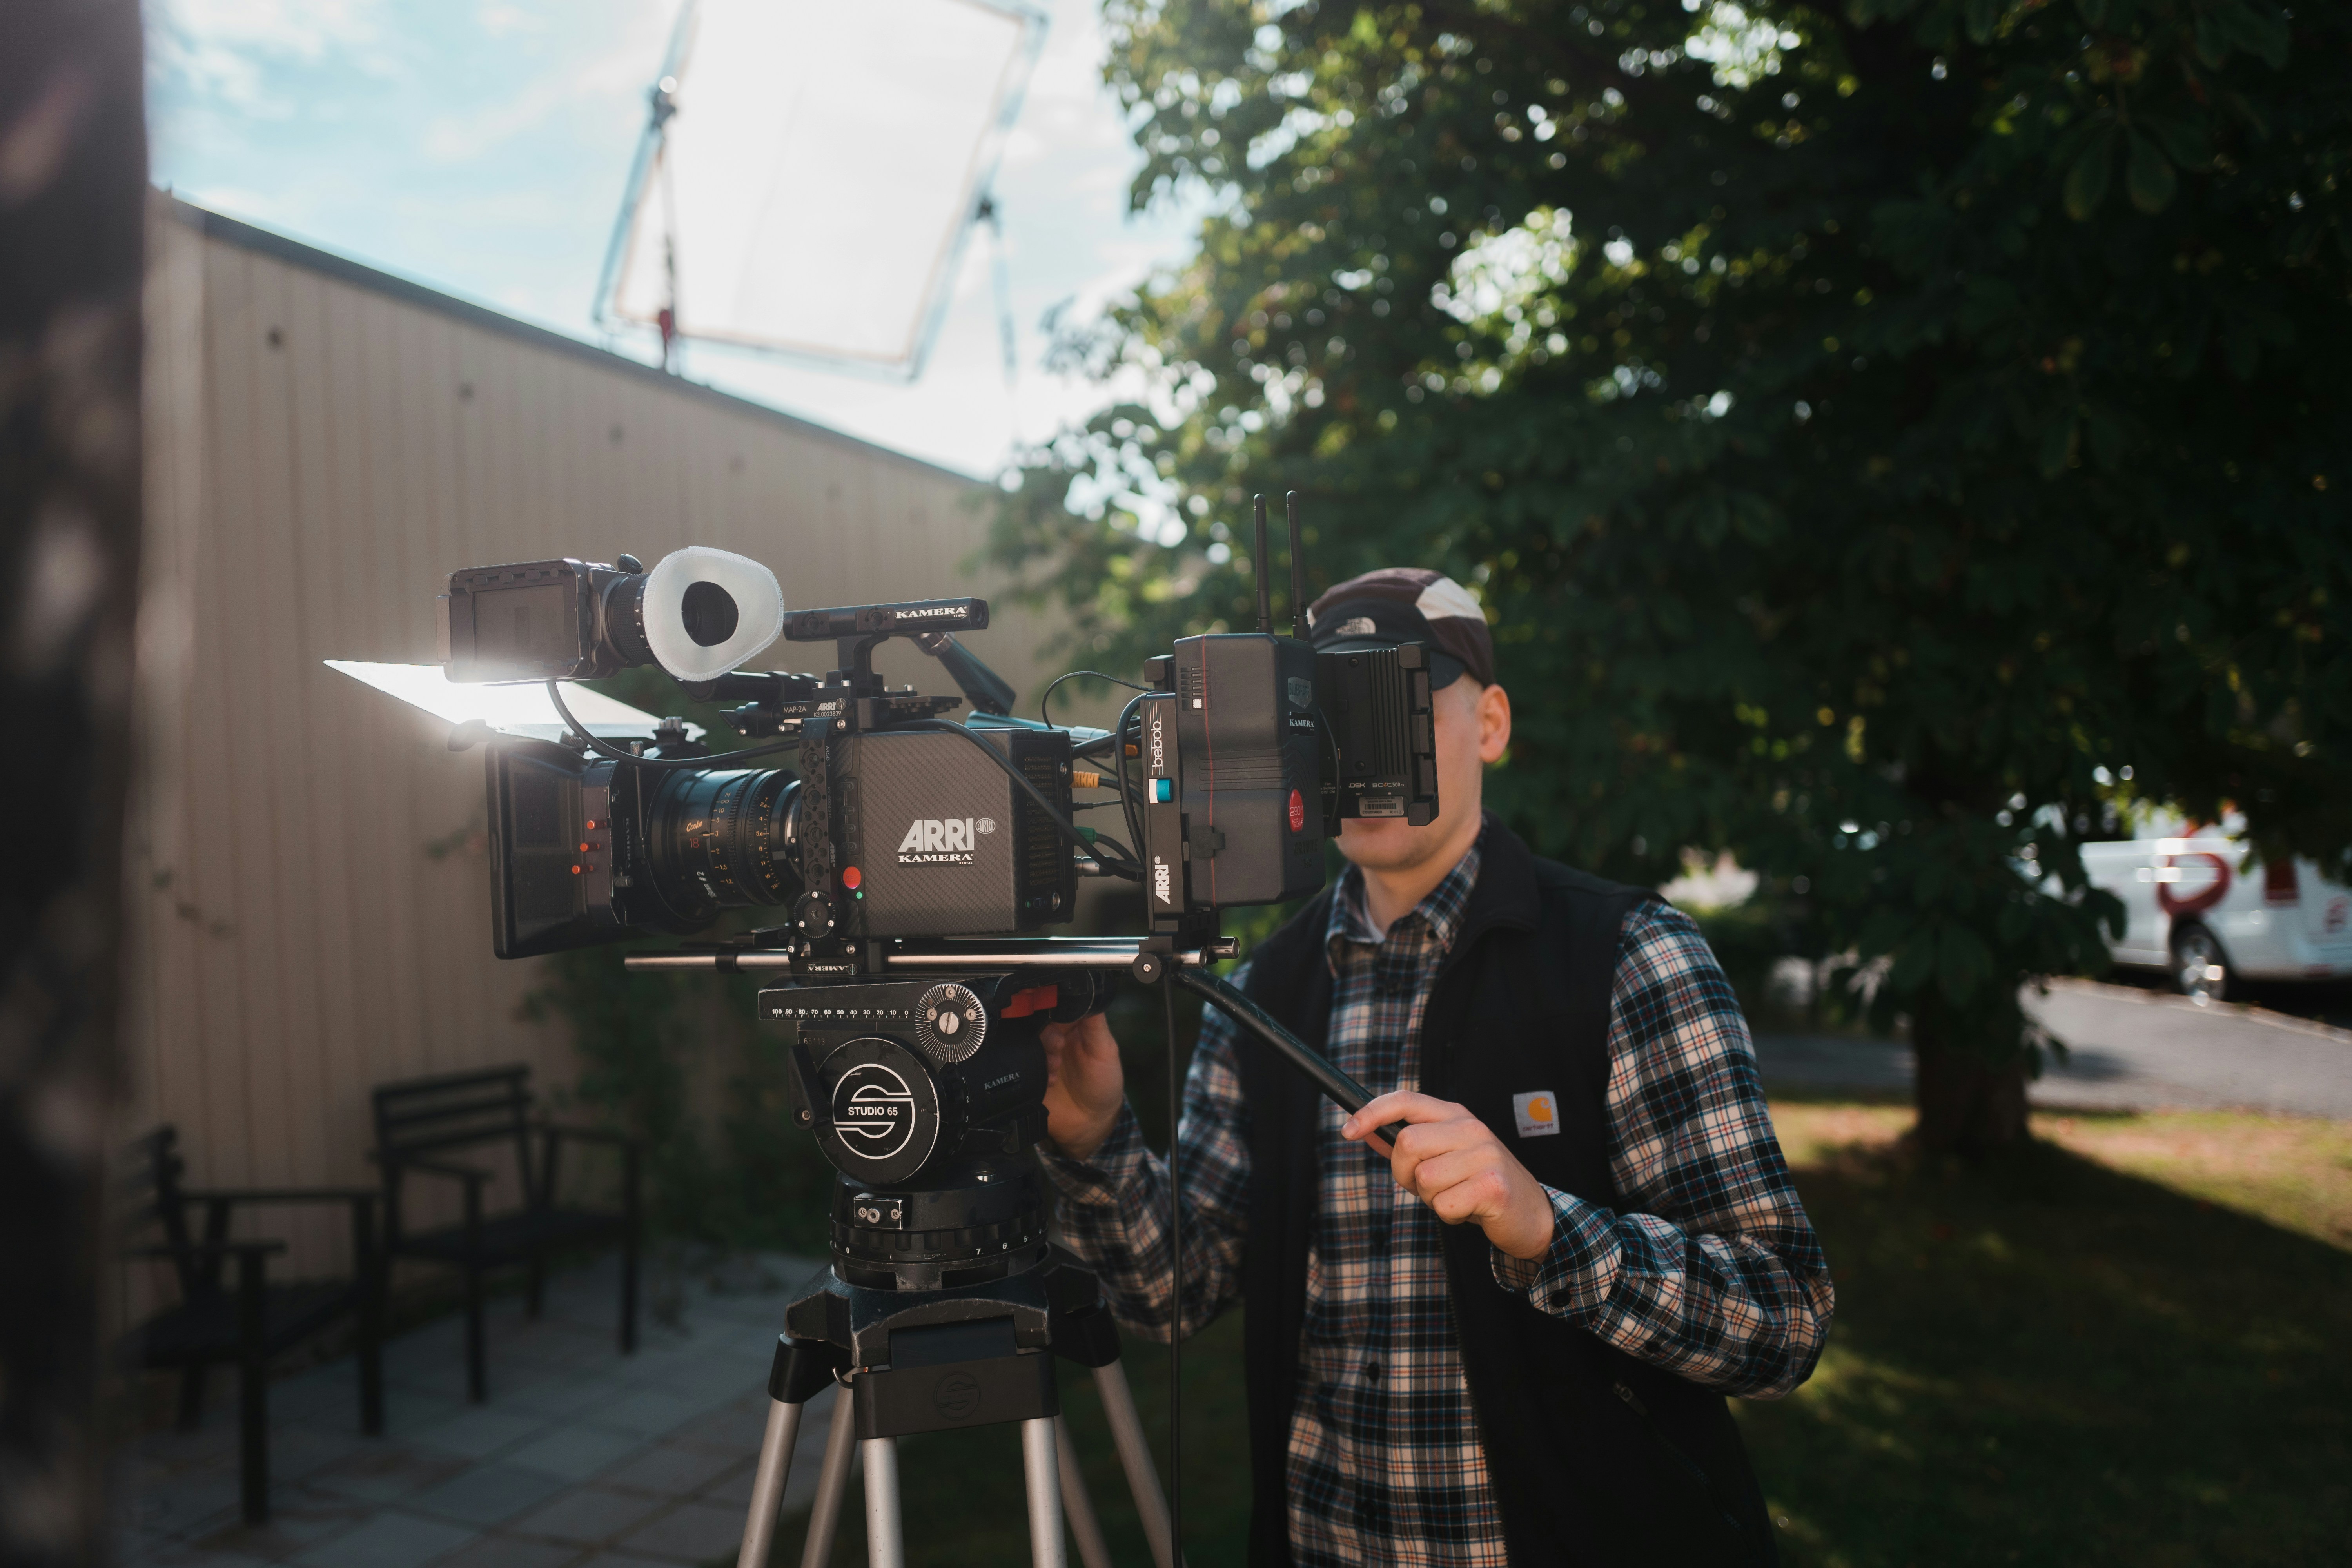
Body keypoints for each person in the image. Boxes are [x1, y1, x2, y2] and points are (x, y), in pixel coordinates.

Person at [1037, 568, 1833, 1568]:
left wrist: (1549, 1229)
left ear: (1491, 721)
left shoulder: (1631, 953)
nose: (1357, 749)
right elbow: (1172, 1291)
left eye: (1394, 702)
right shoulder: (1265, 987)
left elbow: (1781, 1320)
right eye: (1324, 714)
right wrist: (1095, 1142)